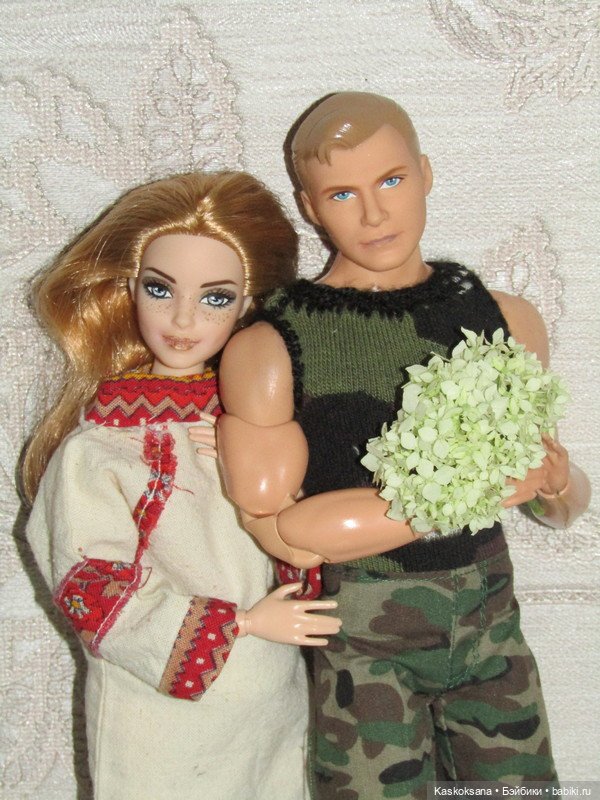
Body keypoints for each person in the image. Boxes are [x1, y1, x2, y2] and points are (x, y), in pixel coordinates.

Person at [213, 94, 591, 796]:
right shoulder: (274, 345)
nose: (374, 213)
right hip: (367, 642)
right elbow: (285, 532)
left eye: (391, 180)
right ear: (310, 207)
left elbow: (560, 504)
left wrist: (557, 482)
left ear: (425, 173)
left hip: (490, 630)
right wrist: (460, 494)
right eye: (342, 193)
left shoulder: (504, 319)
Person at [22, 171, 341, 800]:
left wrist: (272, 495)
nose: (183, 318)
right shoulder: (99, 452)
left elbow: (308, 548)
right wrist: (243, 625)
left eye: (216, 297)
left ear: (249, 304)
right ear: (128, 290)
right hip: (159, 717)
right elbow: (90, 585)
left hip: (272, 704)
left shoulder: (261, 428)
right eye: (159, 289)